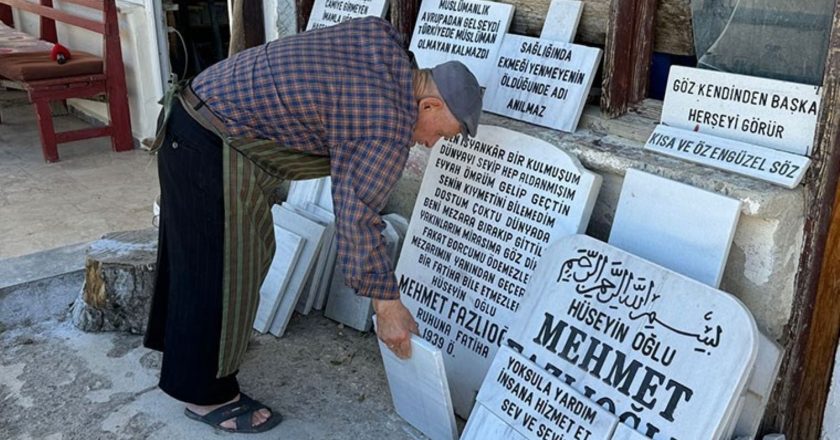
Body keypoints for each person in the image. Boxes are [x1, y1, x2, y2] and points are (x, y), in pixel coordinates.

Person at [143, 16, 483, 433]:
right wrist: (387, 304)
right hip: (212, 143)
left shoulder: (384, 44)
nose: (430, 143)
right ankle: (207, 397)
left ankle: (184, 352)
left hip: (194, 116)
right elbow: (357, 217)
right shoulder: (386, 121)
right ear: (428, 105)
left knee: (207, 253)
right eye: (440, 134)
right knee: (226, 268)